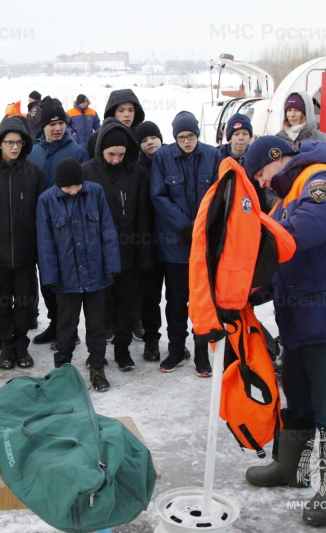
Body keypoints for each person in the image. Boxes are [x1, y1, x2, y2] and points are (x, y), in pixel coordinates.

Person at [242, 136, 326, 527]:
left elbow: (307, 230)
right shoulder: (285, 201)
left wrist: (257, 240)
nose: (262, 183)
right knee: (298, 400)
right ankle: (292, 468)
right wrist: (246, 294)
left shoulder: (321, 179)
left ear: (275, 159)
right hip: (302, 324)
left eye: (261, 174)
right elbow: (282, 266)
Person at [37, 159, 120, 391]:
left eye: (77, 186)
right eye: (68, 187)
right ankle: (62, 369)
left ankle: (97, 366)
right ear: (58, 185)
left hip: (96, 276)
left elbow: (107, 230)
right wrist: (51, 276)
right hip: (66, 279)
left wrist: (111, 265)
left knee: (97, 325)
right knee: (65, 326)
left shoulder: (95, 192)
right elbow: (45, 242)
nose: (74, 190)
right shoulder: (46, 200)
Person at [150, 111, 222, 376]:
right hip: (175, 245)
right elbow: (159, 197)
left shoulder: (213, 156)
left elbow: (219, 195)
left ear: (198, 135)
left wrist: (203, 228)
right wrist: (184, 226)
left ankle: (201, 353)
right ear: (175, 138)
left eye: (191, 136)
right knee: (176, 300)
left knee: (201, 302)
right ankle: (176, 349)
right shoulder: (163, 158)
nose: (187, 142)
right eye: (181, 137)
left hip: (205, 244)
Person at [82, 119, 155, 371]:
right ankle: (97, 353)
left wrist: (144, 256)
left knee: (125, 305)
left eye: (121, 155)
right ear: (101, 149)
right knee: (98, 308)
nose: (115, 159)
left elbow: (144, 216)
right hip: (97, 255)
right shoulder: (87, 172)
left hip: (129, 253)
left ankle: (123, 351)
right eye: (111, 154)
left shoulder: (137, 175)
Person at [0, 115, 46, 369]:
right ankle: (6, 344)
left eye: (19, 143)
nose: (14, 147)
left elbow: (41, 215)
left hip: (26, 253)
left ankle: (21, 345)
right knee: (2, 302)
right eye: (9, 142)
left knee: (25, 302)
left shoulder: (34, 172)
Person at [29, 96, 89, 349]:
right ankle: (55, 324)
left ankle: (69, 329)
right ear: (42, 126)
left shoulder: (77, 152)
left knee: (68, 282)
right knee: (48, 279)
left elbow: (85, 191)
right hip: (42, 228)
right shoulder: (33, 152)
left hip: (70, 228)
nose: (57, 128)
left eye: (61, 123)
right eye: (52, 124)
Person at [134, 121, 166, 361]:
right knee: (150, 297)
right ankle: (151, 340)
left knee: (178, 297)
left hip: (175, 241)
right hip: (148, 243)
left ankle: (177, 339)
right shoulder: (137, 171)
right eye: (144, 140)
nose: (150, 142)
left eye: (153, 137)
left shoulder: (172, 162)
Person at [87, 88, 146, 158]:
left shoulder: (142, 135)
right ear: (113, 113)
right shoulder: (97, 138)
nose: (127, 114)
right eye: (121, 111)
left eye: (131, 110)